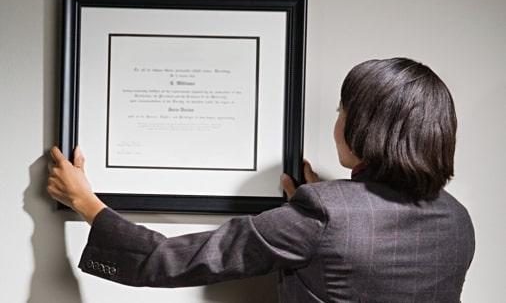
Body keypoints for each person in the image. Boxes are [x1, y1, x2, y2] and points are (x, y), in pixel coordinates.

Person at [47, 57, 475, 302]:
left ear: (365, 126)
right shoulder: (458, 220)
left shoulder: (323, 213)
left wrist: (86, 201)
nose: (338, 122)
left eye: (342, 111)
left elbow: (170, 259)